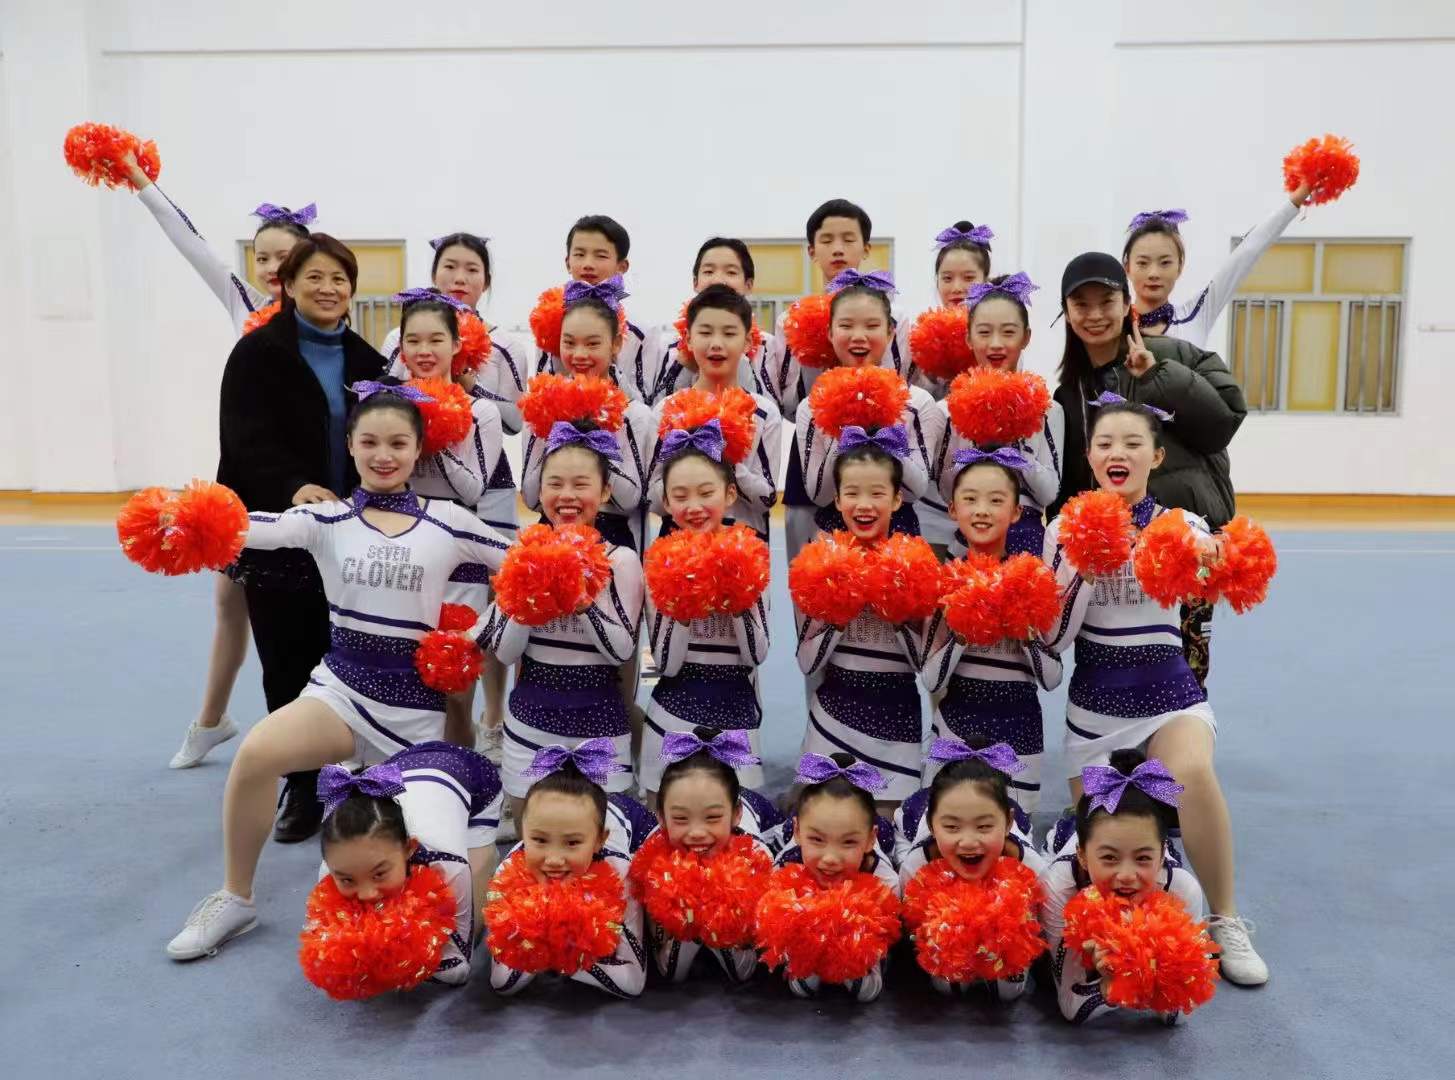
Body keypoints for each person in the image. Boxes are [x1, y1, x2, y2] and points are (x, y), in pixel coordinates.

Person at [166, 389, 510, 960]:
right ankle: (235, 897)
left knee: (423, 859)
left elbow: (523, 569)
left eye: (397, 443)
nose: (383, 455)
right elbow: (255, 528)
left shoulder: (449, 521)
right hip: (342, 692)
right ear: (350, 446)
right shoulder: (326, 519)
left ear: (417, 449)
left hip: (416, 714)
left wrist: (473, 637)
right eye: (369, 442)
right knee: (256, 755)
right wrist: (187, 517)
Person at [1041, 399, 1267, 985]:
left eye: (1132, 443)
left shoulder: (1181, 525)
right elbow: (1053, 639)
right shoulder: (1061, 530)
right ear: (1090, 457)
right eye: (1105, 443)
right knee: (1110, 844)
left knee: (1191, 772)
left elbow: (1213, 583)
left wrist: (1214, 559)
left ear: (1156, 457)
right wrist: (1081, 567)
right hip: (1094, 713)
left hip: (1171, 701)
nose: (1117, 452)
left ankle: (1224, 917)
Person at [117, 150, 311, 769]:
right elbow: (189, 241)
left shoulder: (327, 317)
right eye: (263, 257)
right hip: (248, 477)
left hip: (309, 485)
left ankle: (320, 729)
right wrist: (142, 181)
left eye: (285, 257)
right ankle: (211, 720)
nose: (273, 268)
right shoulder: (244, 304)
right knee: (230, 605)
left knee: (311, 612)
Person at [215, 234, 388, 842]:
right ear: (287, 284)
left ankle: (356, 774)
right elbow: (243, 441)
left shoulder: (369, 362)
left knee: (351, 651)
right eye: (314, 277)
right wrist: (294, 487)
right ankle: (301, 782)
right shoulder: (257, 353)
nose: (328, 288)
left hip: (353, 535)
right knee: (287, 657)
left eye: (339, 279)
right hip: (283, 534)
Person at [1048, 253, 1246, 686]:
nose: (1095, 315)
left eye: (1107, 302)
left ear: (1127, 305)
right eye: (1081, 304)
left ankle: (1183, 725)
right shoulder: (1068, 394)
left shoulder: (1174, 354)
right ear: (1066, 312)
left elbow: (1224, 422)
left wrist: (1158, 375)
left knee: (1184, 671)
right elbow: (1071, 485)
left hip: (1183, 548)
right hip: (1115, 563)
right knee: (1115, 664)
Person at [381, 233, 529, 758]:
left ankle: (486, 730)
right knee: (403, 646)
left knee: (469, 639)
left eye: (471, 268)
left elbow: (504, 436)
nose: (459, 276)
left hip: (471, 517)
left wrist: (444, 419)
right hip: (404, 530)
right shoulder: (394, 370)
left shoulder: (497, 364)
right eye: (449, 266)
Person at [477, 430, 643, 811]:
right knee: (530, 827)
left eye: (581, 485)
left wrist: (582, 601)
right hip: (531, 719)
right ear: (540, 492)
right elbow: (506, 654)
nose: (567, 495)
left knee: (605, 829)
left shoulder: (621, 560)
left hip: (600, 722)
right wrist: (529, 593)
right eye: (554, 484)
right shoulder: (522, 554)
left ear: (605, 492)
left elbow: (621, 651)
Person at [921, 451, 1063, 809]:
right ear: (952, 509)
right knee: (947, 830)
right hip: (955, 728)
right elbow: (932, 681)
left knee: (1012, 832)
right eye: (970, 499)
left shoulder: (1034, 581)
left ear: (1016, 512)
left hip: (1021, 735)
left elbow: (1052, 678)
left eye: (996, 501)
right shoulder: (944, 583)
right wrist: (961, 634)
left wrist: (1026, 635)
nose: (982, 510)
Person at [797, 444, 929, 806]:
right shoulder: (820, 564)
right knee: (826, 824)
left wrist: (895, 613)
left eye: (877, 493)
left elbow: (925, 666)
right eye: (852, 493)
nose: (864, 505)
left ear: (897, 500)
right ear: (837, 500)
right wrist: (840, 614)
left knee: (889, 827)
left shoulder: (916, 565)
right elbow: (807, 663)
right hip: (833, 716)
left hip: (897, 722)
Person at [639, 440, 772, 797]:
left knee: (739, 820)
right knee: (664, 818)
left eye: (706, 493)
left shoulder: (752, 556)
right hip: (671, 714)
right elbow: (665, 665)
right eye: (680, 496)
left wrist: (737, 599)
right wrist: (684, 603)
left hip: (737, 715)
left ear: (730, 494)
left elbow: (757, 655)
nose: (694, 506)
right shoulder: (658, 564)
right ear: (666, 504)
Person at [311, 742, 502, 986]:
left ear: (409, 848)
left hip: (474, 779)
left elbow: (457, 966)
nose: (367, 894)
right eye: (347, 879)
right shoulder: (331, 870)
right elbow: (327, 949)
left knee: (467, 942)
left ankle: (488, 854)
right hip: (404, 765)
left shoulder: (447, 862)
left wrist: (399, 951)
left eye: (379, 873)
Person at [1039, 750, 1206, 1023]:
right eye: (1110, 858)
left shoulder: (1182, 889)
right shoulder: (1059, 885)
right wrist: (1115, 982)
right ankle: (1071, 820)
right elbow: (1070, 1006)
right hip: (1065, 842)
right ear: (1083, 855)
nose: (1127, 876)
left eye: (1143, 858)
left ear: (1162, 854)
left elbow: (1180, 1010)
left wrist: (1130, 969)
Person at [485, 743, 648, 998]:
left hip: (635, 827)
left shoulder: (620, 872)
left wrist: (559, 948)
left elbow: (633, 982)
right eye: (539, 840)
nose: (553, 859)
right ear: (523, 834)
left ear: (599, 841)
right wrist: (552, 935)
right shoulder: (509, 870)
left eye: (572, 843)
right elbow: (502, 982)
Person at [894, 736, 1046, 1001]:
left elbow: (1035, 936)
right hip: (912, 817)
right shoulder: (916, 865)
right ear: (932, 826)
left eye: (984, 827)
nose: (968, 842)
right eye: (952, 827)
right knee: (946, 985)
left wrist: (1003, 939)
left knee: (1008, 991)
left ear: (1008, 823)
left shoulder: (1032, 866)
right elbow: (913, 933)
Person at [797, 271, 940, 540]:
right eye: (846, 326)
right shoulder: (811, 406)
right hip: (834, 536)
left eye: (872, 326)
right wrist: (844, 428)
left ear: (890, 332)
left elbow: (916, 489)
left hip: (898, 536)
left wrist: (885, 432)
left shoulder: (918, 402)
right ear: (830, 333)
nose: (859, 336)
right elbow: (819, 494)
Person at [632, 727, 780, 984]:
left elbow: (748, 966)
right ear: (661, 817)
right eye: (681, 819)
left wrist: (719, 911)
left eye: (712, 818)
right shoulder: (650, 858)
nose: (697, 833)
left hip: (760, 816)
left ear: (736, 814)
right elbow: (664, 963)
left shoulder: (757, 856)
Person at [934, 274, 1062, 559]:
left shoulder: (1048, 408)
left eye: (1008, 332)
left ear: (1026, 337)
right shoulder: (947, 410)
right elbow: (946, 490)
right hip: (969, 542)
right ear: (968, 338)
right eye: (984, 332)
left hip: (1028, 546)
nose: (995, 344)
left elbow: (1049, 494)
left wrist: (1014, 451)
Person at [761, 752, 902, 1002]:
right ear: (798, 832)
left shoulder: (885, 882)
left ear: (870, 839)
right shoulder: (784, 869)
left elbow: (872, 986)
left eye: (848, 842)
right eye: (817, 840)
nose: (830, 858)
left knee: (866, 990)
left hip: (861, 930)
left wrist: (853, 941)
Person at [646, 283, 781, 541]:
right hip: (680, 543)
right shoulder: (667, 410)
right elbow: (652, 498)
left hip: (743, 545)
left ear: (748, 342)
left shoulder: (763, 412)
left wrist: (728, 458)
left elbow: (767, 498)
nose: (716, 344)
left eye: (729, 333)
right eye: (705, 332)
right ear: (688, 339)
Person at [1124, 179, 1312, 349]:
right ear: (1127, 267)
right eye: (1143, 263)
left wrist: (1295, 200)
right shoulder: (1114, 325)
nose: (1154, 273)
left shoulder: (1195, 314)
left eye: (1165, 263)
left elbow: (1245, 253)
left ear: (1180, 267)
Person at [645, 237, 770, 403]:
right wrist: (685, 366)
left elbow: (771, 407)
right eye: (709, 272)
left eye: (731, 272)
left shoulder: (766, 346)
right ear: (695, 282)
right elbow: (657, 406)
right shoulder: (668, 346)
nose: (718, 280)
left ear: (748, 284)